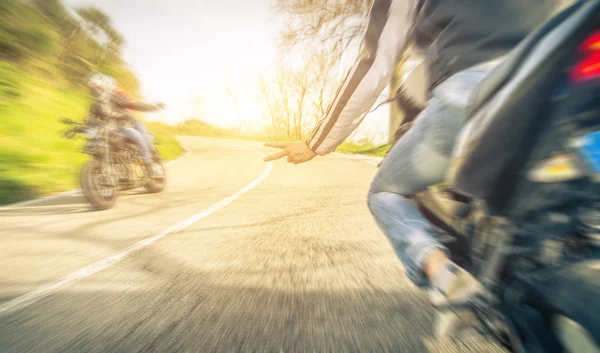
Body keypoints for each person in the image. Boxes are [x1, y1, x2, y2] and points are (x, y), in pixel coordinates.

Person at [263, 0, 571, 337]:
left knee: (386, 192)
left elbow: (375, 64)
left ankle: (447, 278)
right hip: (561, 81)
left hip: (478, 89)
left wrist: (317, 142)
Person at [87, 74, 165, 176]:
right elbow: (89, 119)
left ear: (106, 87)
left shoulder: (115, 98)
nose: (96, 91)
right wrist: (82, 126)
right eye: (93, 89)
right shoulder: (94, 105)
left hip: (123, 127)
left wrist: (152, 107)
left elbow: (134, 105)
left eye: (98, 88)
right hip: (109, 132)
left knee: (138, 136)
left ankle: (148, 163)